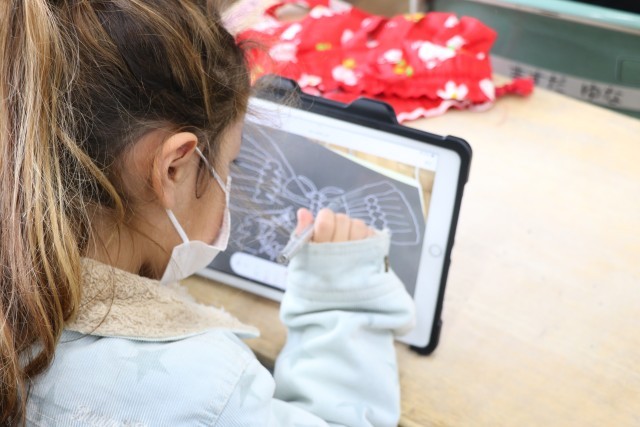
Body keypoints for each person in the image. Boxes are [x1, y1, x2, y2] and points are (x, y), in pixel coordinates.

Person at [0, 1, 415, 425]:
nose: (230, 180)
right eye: (231, 164)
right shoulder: (207, 392)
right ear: (174, 168)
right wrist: (341, 301)